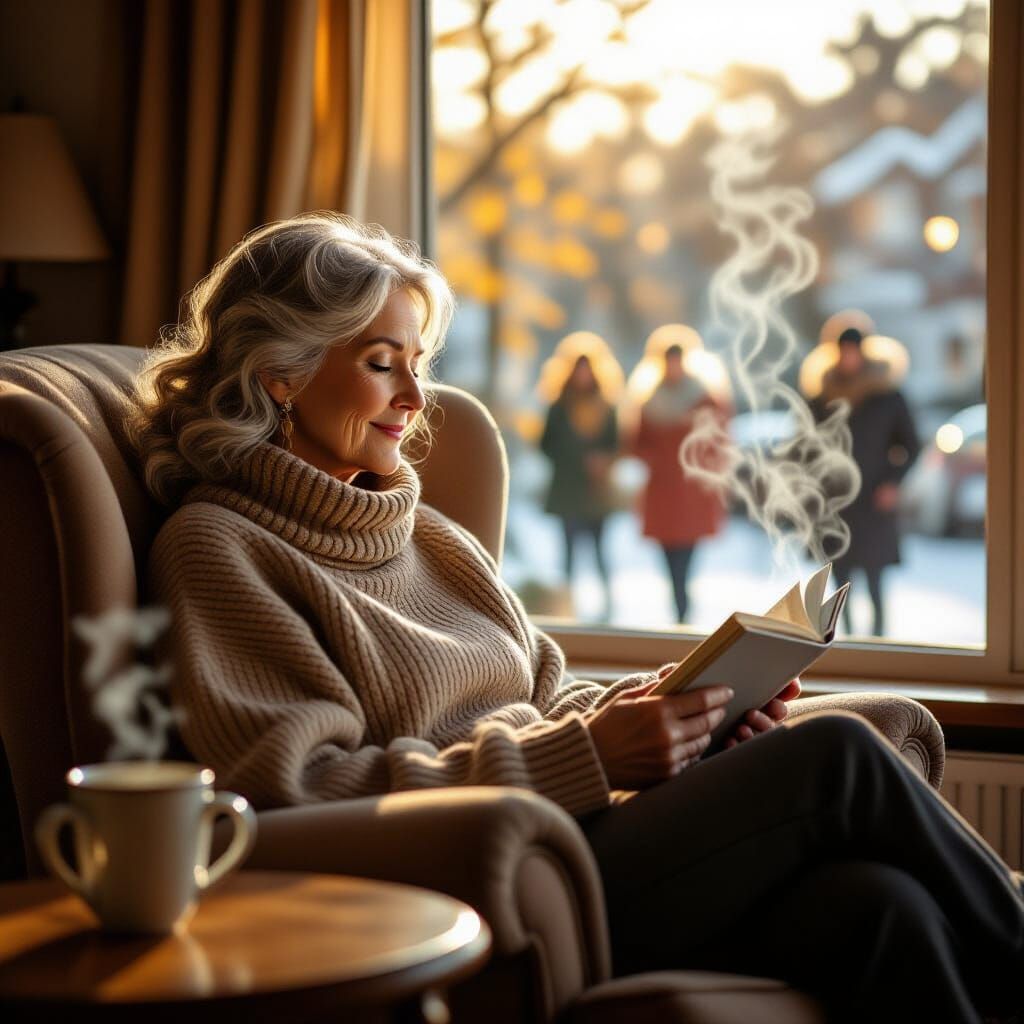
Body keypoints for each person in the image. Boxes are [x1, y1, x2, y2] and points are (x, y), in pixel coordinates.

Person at [131, 214, 1022, 1022]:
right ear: (281, 374)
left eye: (418, 363)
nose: (414, 395)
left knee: (879, 907)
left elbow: (551, 692)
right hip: (488, 875)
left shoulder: (431, 536)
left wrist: (677, 712)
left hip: (587, 831)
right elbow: (292, 796)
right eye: (379, 362)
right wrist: (592, 755)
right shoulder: (220, 549)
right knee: (843, 760)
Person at [809, 326, 921, 636]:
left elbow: (910, 446)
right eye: (843, 350)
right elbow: (807, 449)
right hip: (836, 502)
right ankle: (841, 642)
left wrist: (893, 483)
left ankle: (879, 642)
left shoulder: (888, 397)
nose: (848, 357)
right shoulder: (821, 398)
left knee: (875, 579)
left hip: (873, 500)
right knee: (838, 580)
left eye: (853, 350)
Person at [628, 334, 731, 623]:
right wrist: (655, 458)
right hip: (662, 492)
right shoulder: (650, 401)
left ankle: (683, 611)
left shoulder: (704, 398)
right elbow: (636, 443)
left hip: (692, 494)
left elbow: (720, 439)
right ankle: (679, 607)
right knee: (669, 559)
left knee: (686, 558)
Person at [537, 335, 621, 619]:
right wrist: (571, 457)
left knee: (600, 550)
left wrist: (603, 461)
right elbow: (545, 445)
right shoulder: (558, 406)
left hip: (596, 491)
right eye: (578, 368)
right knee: (568, 553)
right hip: (567, 489)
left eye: (587, 369)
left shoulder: (606, 407)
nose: (583, 375)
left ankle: (608, 605)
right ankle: (567, 606)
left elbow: (616, 444)